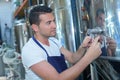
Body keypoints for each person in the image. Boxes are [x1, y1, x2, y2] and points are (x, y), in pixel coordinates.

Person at [21, 5, 102, 80]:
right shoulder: (30, 50)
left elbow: (72, 58)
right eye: (49, 23)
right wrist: (89, 57)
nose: (54, 26)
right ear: (35, 28)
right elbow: (57, 79)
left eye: (54, 21)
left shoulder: (53, 41)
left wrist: (83, 47)